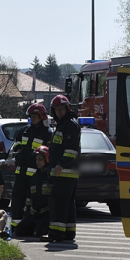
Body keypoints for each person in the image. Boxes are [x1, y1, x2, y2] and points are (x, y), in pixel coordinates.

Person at [41, 95, 80, 242]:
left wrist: (60, 164)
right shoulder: (63, 124)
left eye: (61, 109)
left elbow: (71, 150)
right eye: (56, 109)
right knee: (67, 204)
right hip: (65, 172)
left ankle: (56, 234)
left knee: (58, 203)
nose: (59, 112)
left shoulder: (69, 125)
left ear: (67, 108)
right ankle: (68, 233)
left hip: (65, 172)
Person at [9, 103, 53, 233]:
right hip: (20, 173)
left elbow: (48, 153)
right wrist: (17, 150)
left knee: (31, 202)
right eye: (31, 116)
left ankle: (29, 227)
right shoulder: (25, 130)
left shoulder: (47, 133)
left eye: (35, 116)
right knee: (17, 199)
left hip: (35, 175)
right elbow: (16, 143)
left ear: (42, 116)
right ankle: (15, 227)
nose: (33, 118)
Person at [14, 146, 52, 238]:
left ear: (47, 160)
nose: (37, 162)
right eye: (36, 159)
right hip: (34, 214)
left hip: (46, 214)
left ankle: (40, 229)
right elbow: (29, 196)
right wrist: (28, 211)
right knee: (18, 231)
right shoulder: (34, 177)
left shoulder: (51, 177)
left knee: (40, 233)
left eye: (40, 159)